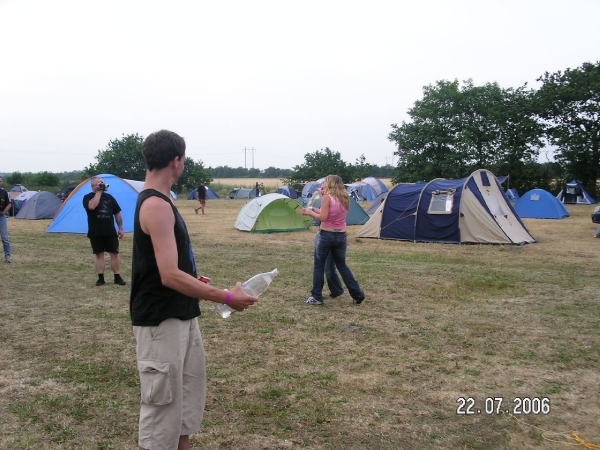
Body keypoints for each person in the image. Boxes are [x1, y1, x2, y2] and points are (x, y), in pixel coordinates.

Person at [130, 129, 258, 450]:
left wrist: (196, 282)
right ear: (176, 161)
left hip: (181, 313)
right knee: (162, 416)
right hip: (162, 321)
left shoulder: (163, 201)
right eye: (184, 159)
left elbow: (172, 267)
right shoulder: (155, 205)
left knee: (184, 409)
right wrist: (227, 297)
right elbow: (169, 275)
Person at [299, 175, 364, 306]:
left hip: (326, 236)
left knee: (319, 266)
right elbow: (330, 212)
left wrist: (310, 213)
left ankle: (316, 296)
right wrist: (317, 202)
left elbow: (323, 217)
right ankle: (357, 294)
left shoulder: (328, 198)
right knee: (342, 265)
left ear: (330, 184)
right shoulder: (344, 198)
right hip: (341, 237)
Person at [82, 176, 127, 286]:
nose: (101, 184)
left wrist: (120, 228)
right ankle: (100, 278)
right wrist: (98, 193)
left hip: (110, 231)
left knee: (114, 254)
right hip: (95, 231)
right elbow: (92, 207)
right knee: (99, 255)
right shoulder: (87, 197)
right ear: (93, 186)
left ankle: (117, 277)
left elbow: (117, 213)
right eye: (99, 183)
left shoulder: (110, 198)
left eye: (102, 182)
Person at [0, 176, 12, 263]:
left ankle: (7, 256)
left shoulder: (4, 192)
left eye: (0, 181)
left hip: (2, 218)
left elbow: (9, 204)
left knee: (5, 238)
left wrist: (4, 212)